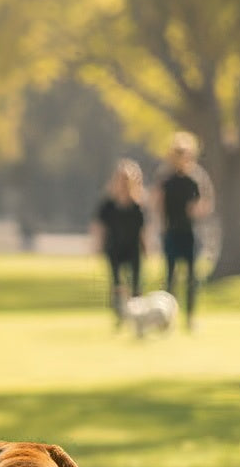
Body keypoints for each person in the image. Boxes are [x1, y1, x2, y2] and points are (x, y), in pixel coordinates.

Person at [153, 131, 215, 327]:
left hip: (190, 233)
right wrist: (159, 227)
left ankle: (189, 317)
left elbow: (207, 202)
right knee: (170, 277)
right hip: (171, 232)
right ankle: (167, 318)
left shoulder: (196, 178)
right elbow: (158, 203)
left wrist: (198, 210)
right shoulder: (166, 178)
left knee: (191, 277)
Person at [91, 159, 146, 322]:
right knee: (117, 283)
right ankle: (119, 315)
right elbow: (99, 226)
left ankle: (137, 314)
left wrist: (146, 247)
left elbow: (142, 229)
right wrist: (98, 245)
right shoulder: (108, 204)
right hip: (114, 247)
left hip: (133, 248)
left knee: (136, 282)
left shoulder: (137, 205)